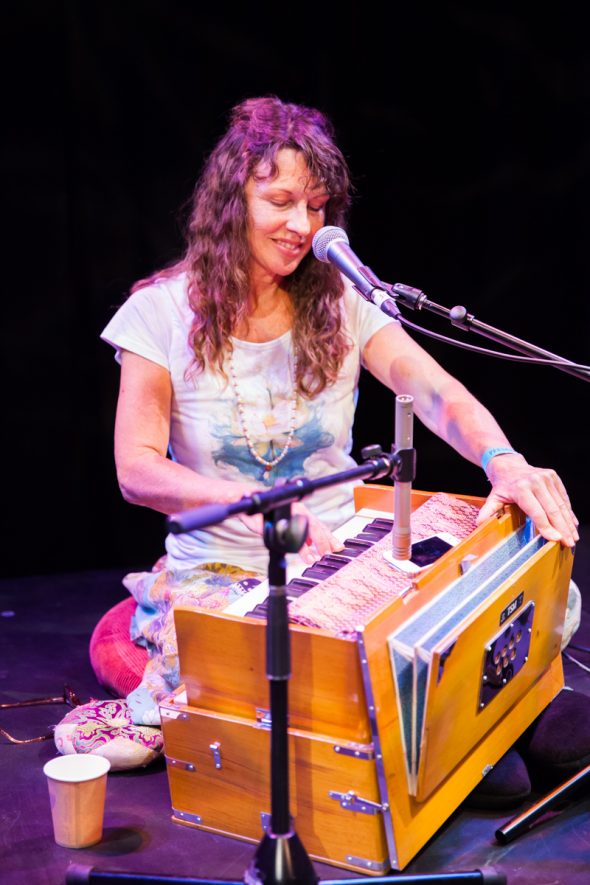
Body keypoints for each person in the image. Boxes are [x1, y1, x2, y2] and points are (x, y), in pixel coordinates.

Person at [101, 96, 584, 802]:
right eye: (281, 201)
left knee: (524, 590)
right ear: (232, 199)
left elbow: (437, 391)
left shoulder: (341, 299)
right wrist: (256, 506)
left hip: (346, 562)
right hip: (229, 574)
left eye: (318, 205)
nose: (302, 226)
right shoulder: (160, 314)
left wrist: (501, 459)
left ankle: (466, 740)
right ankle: (480, 739)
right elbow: (135, 469)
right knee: (322, 670)